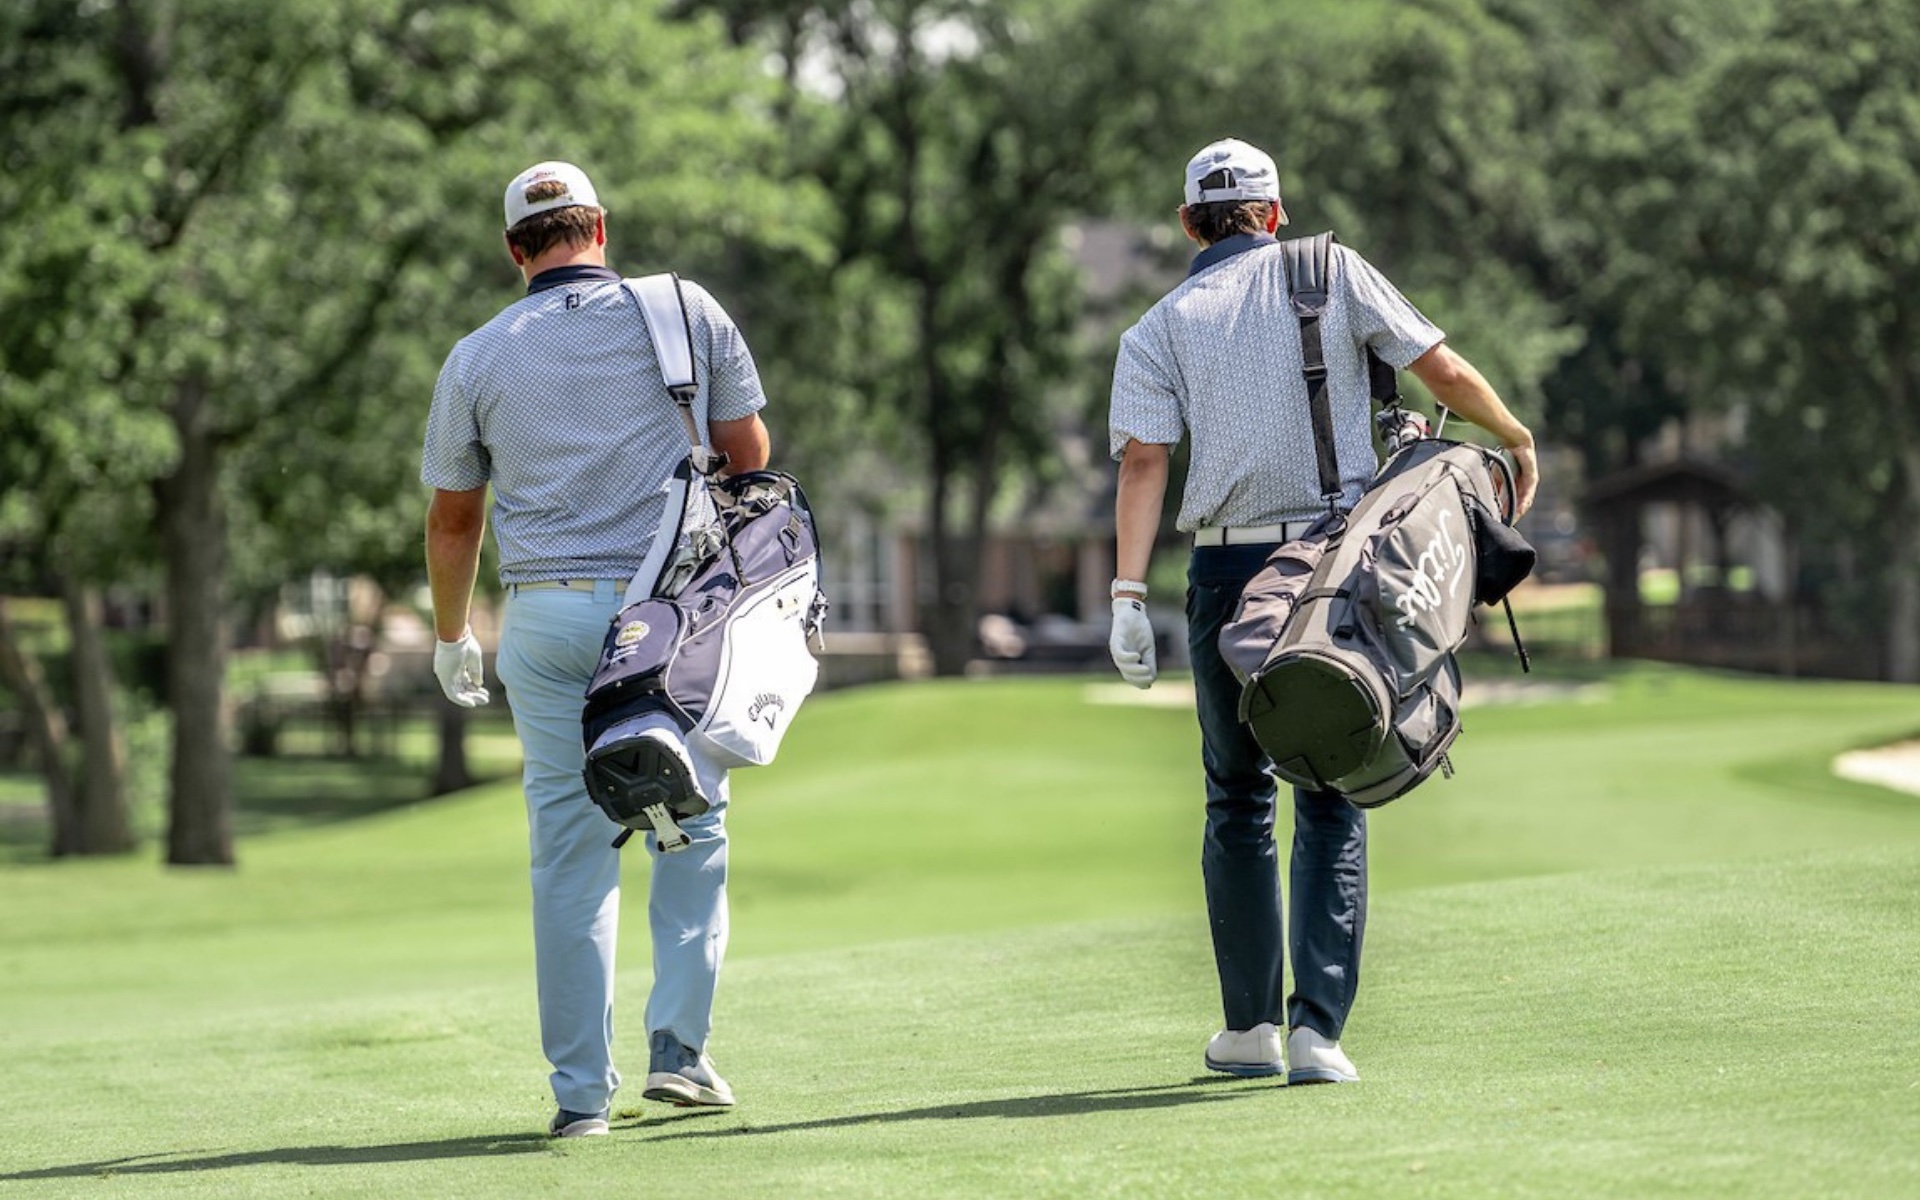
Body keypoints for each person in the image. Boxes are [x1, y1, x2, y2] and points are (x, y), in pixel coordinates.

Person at [1105, 138, 1538, 1084]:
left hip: (1225, 576)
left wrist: (1127, 596)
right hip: (1331, 570)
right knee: (1332, 781)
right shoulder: (1329, 270)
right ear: (1274, 213)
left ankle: (1250, 1030)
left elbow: (1143, 465)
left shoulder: (1157, 326)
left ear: (1188, 225)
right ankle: (1317, 1036)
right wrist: (1512, 434)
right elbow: (1439, 369)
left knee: (1236, 796)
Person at [422, 160, 772, 1136]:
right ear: (600, 227)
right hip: (670, 617)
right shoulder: (686, 310)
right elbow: (750, 456)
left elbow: (454, 520)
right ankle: (681, 1054)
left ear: (514, 251)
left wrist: (451, 635)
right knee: (691, 826)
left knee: (570, 857)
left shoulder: (475, 358)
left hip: (545, 622)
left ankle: (581, 1099)